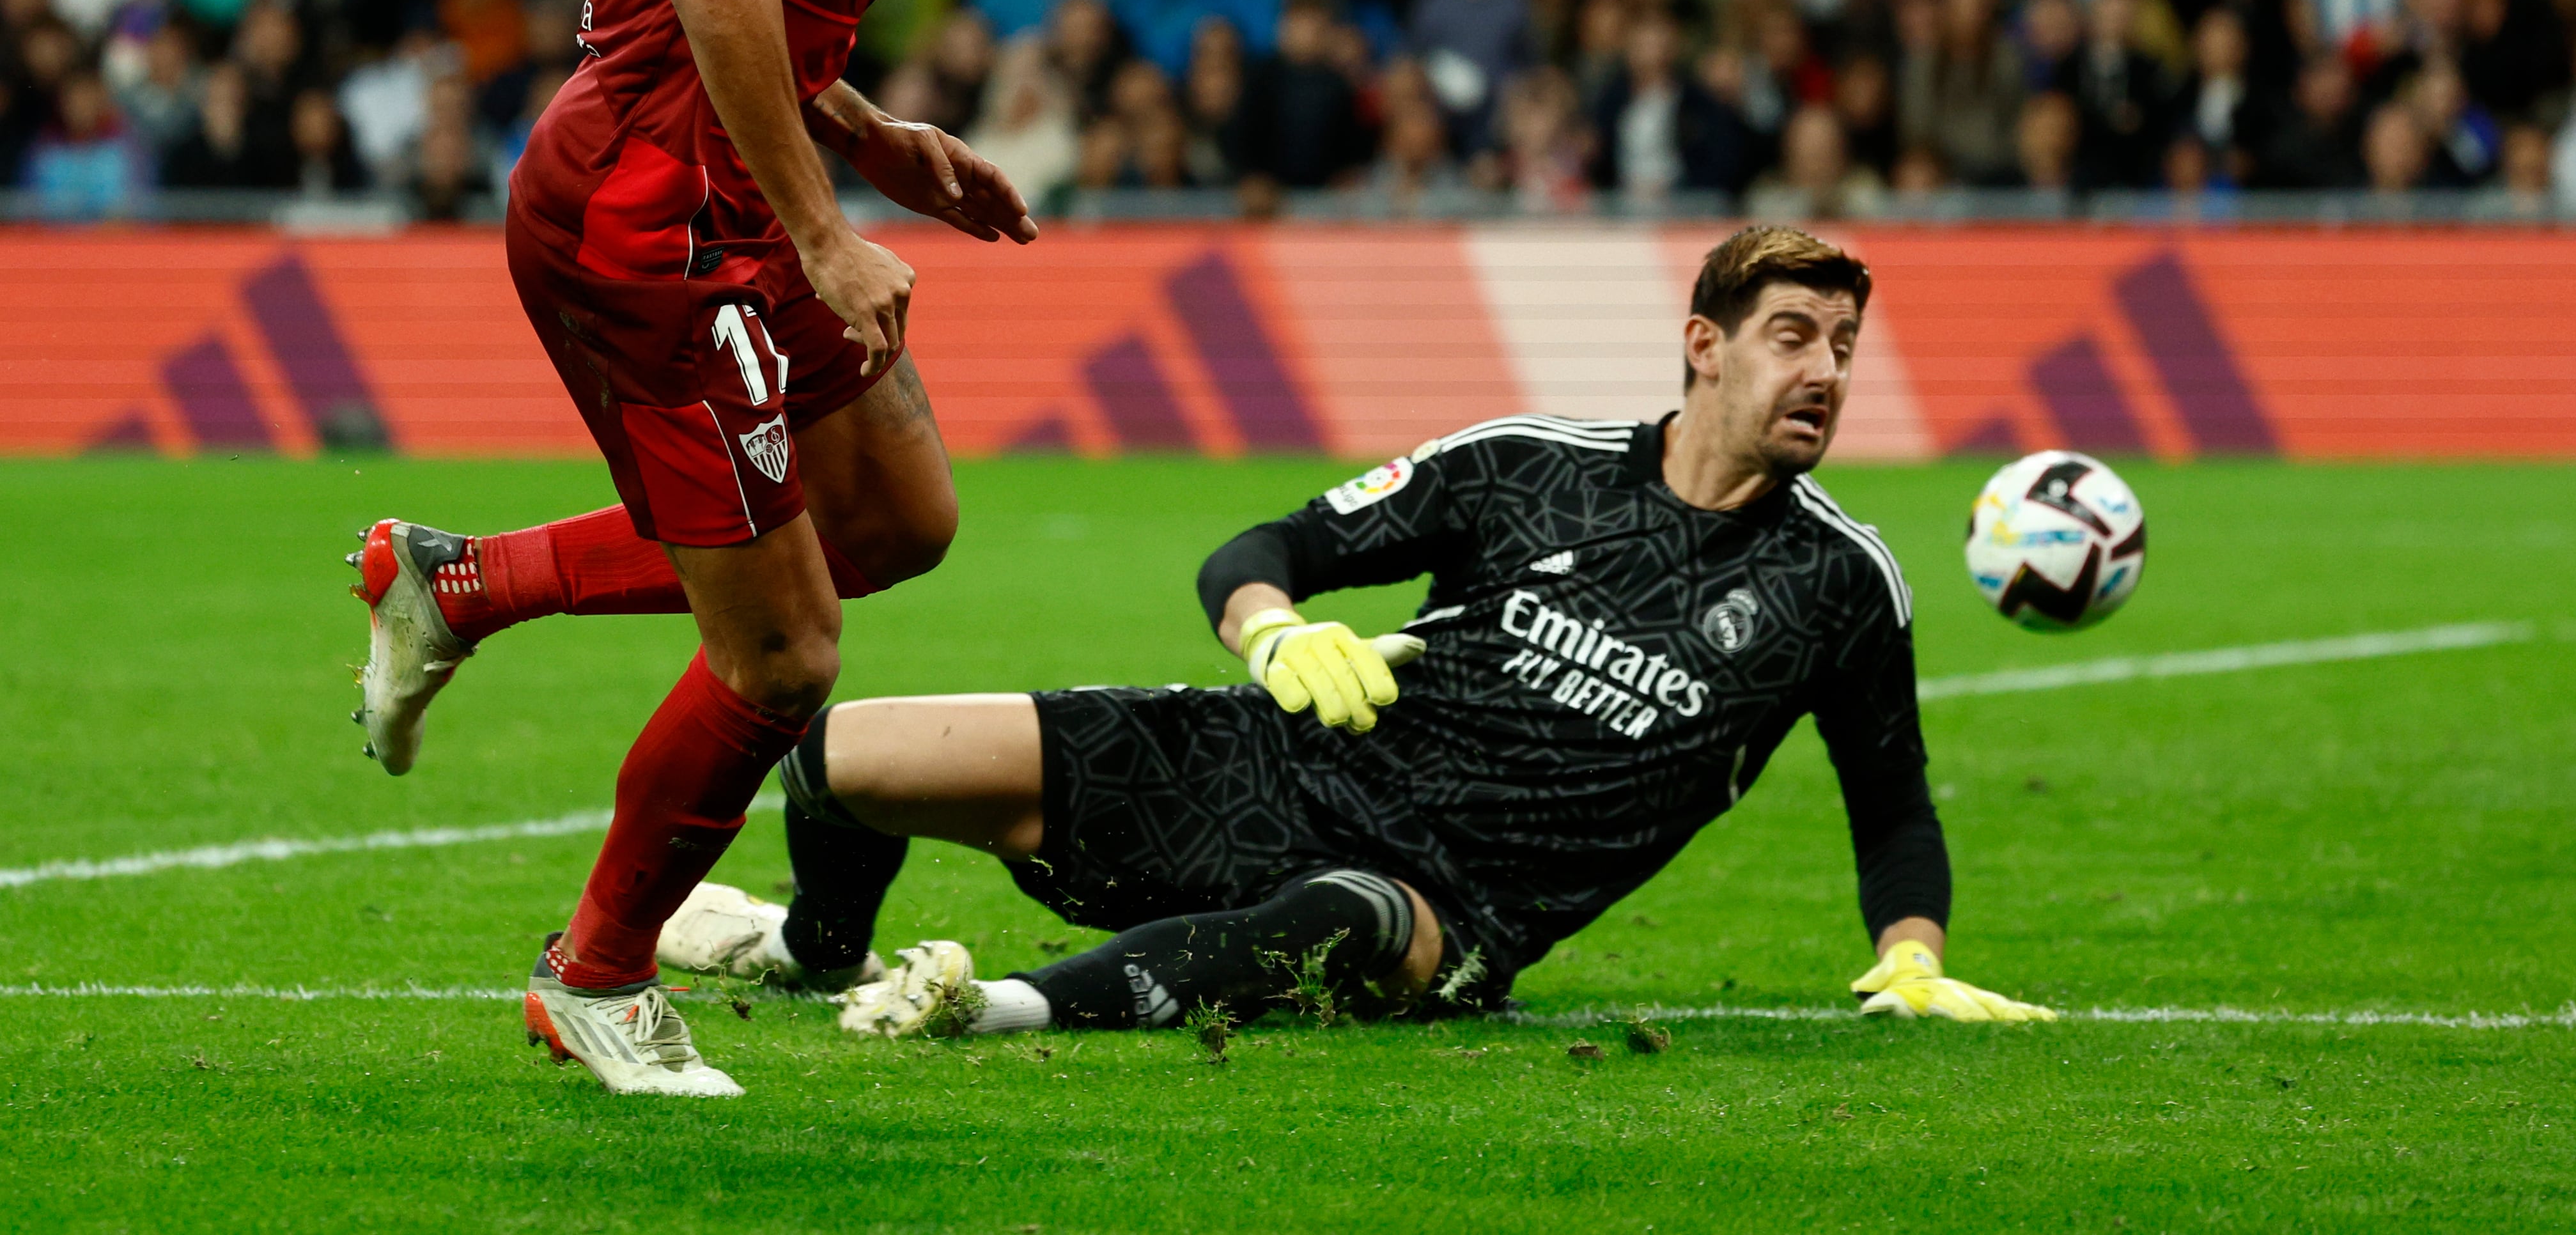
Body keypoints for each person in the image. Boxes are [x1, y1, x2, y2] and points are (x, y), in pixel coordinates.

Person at [340, 0, 1062, 1098]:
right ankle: (594, 977)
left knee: (897, 521)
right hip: (657, 215)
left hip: (717, 170)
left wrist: (872, 144)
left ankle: (460, 584)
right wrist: (826, 232)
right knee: (787, 653)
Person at [655, 227, 2049, 1034]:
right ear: (1704, 345)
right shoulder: (1527, 461)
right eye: (1794, 335)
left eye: (1844, 347)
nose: (1824, 372)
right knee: (842, 754)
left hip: (1453, 905)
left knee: (1339, 915)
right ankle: (820, 951)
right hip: (1282, 764)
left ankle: (990, 1007)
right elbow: (1265, 548)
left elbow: (1892, 800)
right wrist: (1271, 633)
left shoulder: (1842, 585)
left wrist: (1910, 948)